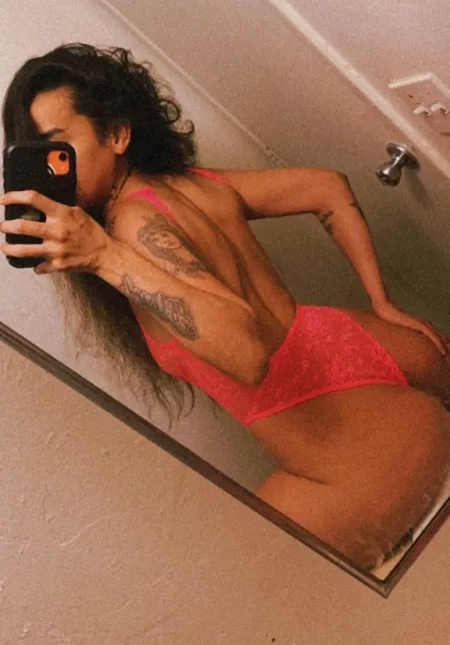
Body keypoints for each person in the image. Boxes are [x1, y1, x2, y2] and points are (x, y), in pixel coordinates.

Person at [1, 43, 449, 570]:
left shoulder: (131, 228)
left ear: (117, 134)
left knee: (246, 591)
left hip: (360, 458)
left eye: (61, 146)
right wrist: (382, 303)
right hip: (387, 357)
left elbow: (247, 350)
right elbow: (327, 187)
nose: (55, 166)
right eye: (41, 154)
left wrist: (103, 256)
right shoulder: (195, 185)